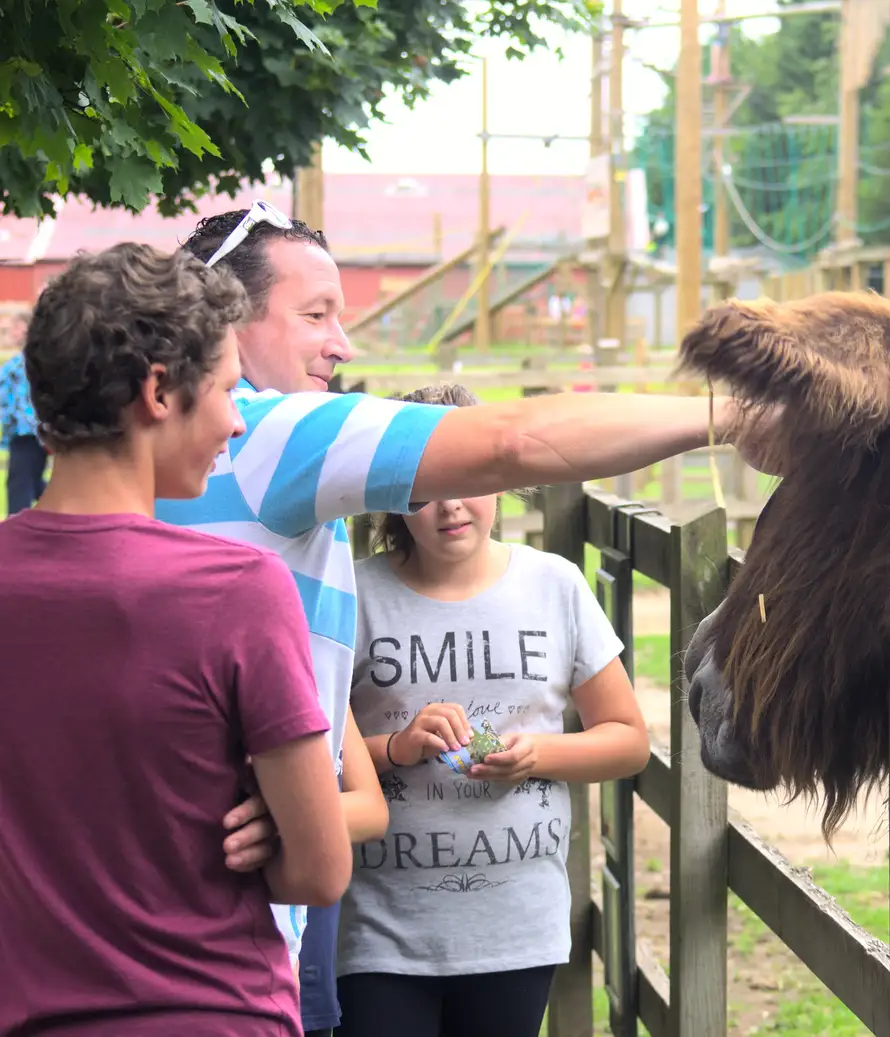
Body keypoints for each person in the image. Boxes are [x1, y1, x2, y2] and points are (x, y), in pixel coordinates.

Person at [153, 199, 775, 1032]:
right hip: (246, 909)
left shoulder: (164, 453)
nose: (341, 343)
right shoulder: (267, 436)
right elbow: (511, 440)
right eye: (315, 315)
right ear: (228, 320)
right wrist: (735, 417)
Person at [0, 243, 352, 1035]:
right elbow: (321, 868)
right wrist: (276, 823)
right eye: (229, 389)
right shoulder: (238, 590)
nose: (235, 418)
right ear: (160, 390)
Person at [332, 383, 648, 1037]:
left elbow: (627, 739)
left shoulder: (554, 585)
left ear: (500, 478)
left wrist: (538, 754)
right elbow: (307, 752)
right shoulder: (355, 594)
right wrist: (398, 745)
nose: (450, 505)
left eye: (469, 478)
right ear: (394, 494)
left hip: (515, 931)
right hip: (380, 934)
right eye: (426, 485)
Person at [1, 345, 49, 512]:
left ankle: (13, 531)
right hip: (38, 431)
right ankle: (72, 508)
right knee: (31, 481)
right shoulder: (29, 363)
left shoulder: (21, 364)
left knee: (20, 484)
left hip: (27, 431)